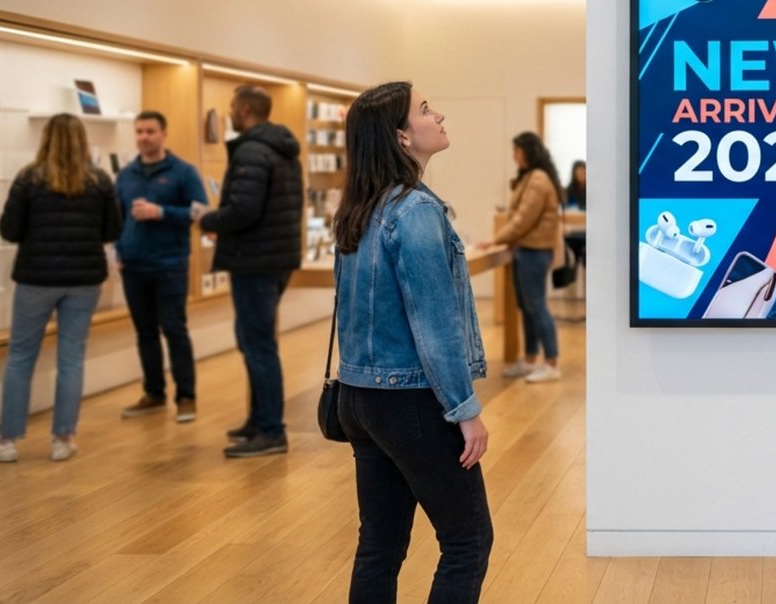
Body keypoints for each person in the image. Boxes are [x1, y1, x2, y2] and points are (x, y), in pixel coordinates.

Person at [333, 81, 492, 602]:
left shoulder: (361, 207)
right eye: (425, 110)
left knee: (379, 544)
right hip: (410, 401)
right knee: (468, 540)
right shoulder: (415, 212)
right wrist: (465, 408)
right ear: (401, 137)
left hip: (359, 396)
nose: (439, 114)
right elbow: (434, 322)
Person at [0, 114, 120, 463]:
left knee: (21, 358)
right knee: (71, 358)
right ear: (83, 141)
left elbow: (9, 230)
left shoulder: (29, 178)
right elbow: (112, 229)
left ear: (45, 139)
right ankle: (62, 438)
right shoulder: (100, 180)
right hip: (85, 279)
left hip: (36, 278)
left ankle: (7, 440)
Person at [199, 84, 304, 458]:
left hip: (255, 259)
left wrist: (207, 218)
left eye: (231, 106)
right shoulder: (282, 149)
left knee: (258, 345)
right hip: (274, 257)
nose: (227, 112)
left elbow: (243, 209)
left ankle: (271, 430)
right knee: (254, 341)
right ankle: (259, 420)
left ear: (244, 110)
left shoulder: (252, 151)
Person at [115, 110, 209, 423]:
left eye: (150, 131)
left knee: (174, 329)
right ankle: (154, 394)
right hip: (133, 265)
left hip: (170, 264)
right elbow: (116, 219)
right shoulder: (126, 175)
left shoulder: (183, 172)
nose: (144, 137)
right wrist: (118, 251)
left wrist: (161, 212)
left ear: (163, 133)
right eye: (139, 132)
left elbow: (200, 212)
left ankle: (187, 397)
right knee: (145, 332)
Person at [481, 132, 563, 382]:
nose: (514, 156)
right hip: (525, 251)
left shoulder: (538, 179)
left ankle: (551, 363)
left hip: (534, 252)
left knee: (536, 306)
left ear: (528, 151)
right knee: (527, 308)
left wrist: (496, 240)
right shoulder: (531, 177)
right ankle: (529, 359)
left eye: (516, 151)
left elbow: (523, 219)